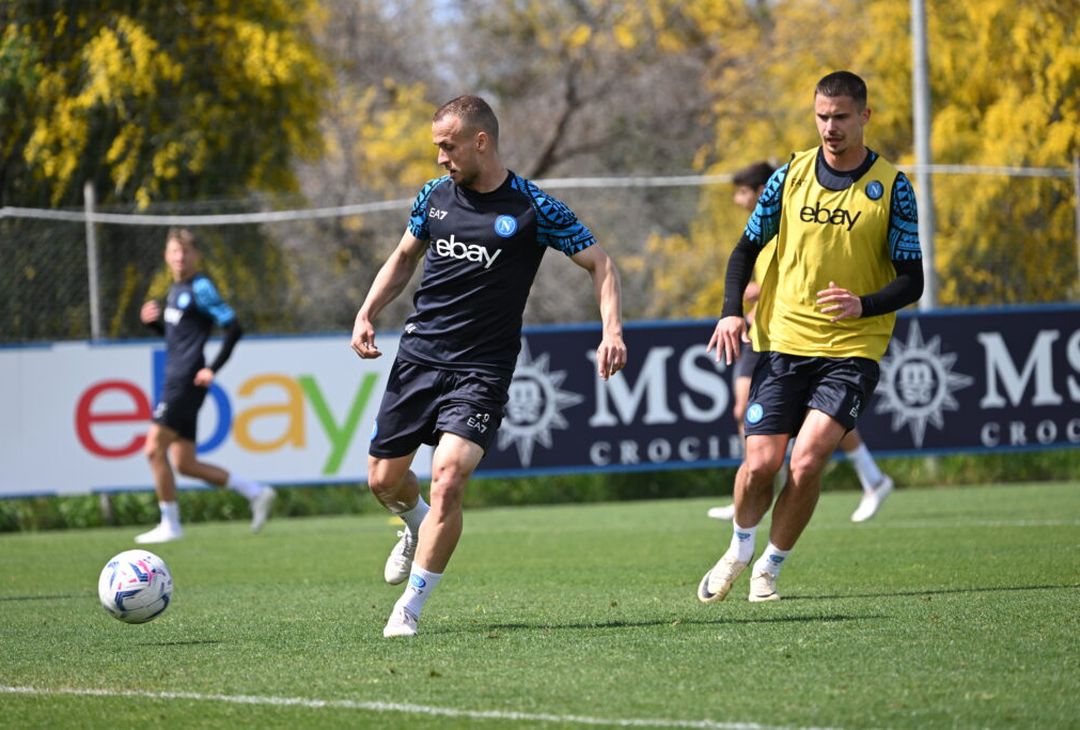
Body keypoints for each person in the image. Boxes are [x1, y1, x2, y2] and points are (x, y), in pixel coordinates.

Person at [351, 95, 627, 638]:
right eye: (436, 147)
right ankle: (413, 525)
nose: (439, 158)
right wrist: (366, 312)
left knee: (449, 477)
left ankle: (409, 608)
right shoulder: (433, 197)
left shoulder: (533, 208)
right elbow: (405, 257)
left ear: (481, 141)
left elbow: (601, 263)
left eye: (447, 146)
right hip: (419, 358)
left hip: (483, 368)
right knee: (383, 480)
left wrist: (611, 330)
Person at [698, 71, 922, 603]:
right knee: (760, 465)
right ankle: (738, 548)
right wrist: (732, 312)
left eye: (841, 117)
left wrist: (863, 305)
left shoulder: (891, 187)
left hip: (851, 349)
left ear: (864, 116)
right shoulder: (789, 176)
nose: (830, 127)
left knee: (808, 459)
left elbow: (914, 280)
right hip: (782, 342)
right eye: (822, 116)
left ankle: (769, 568)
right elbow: (743, 251)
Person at [706, 161, 895, 524]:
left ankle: (759, 488)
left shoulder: (788, 214)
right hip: (762, 326)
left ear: (761, 190)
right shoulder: (763, 223)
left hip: (784, 333)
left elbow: (798, 275)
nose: (736, 199)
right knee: (748, 412)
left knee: (815, 421)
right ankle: (757, 483)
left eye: (742, 191)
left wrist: (756, 295)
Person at [135, 228, 276, 544]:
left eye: (186, 251)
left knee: (153, 448)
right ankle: (255, 492)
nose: (180, 257)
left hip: (184, 381)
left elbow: (234, 327)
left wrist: (212, 368)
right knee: (184, 463)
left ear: (196, 256)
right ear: (166, 255)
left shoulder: (200, 287)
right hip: (177, 378)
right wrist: (153, 325)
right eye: (175, 251)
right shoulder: (175, 289)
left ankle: (170, 523)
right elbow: (179, 338)